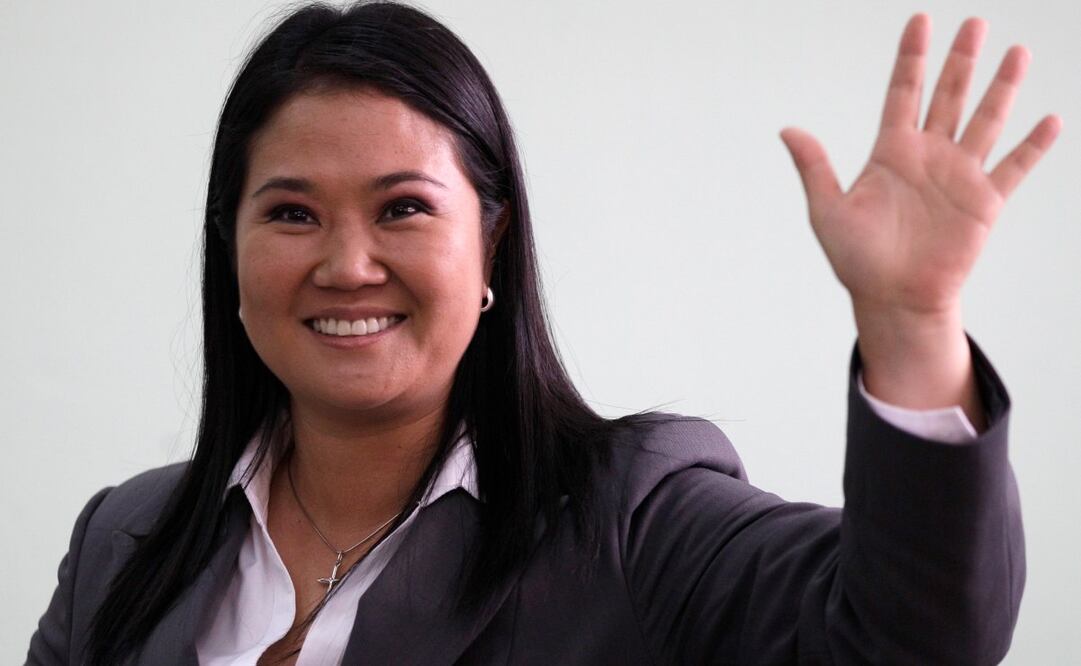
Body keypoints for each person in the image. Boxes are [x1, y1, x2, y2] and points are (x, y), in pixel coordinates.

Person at [26, 2, 1059, 665]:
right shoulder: (122, 540)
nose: (346, 264)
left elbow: (914, 636)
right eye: (292, 213)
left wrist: (912, 328)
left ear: (492, 246)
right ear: (231, 251)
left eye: (402, 208)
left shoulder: (632, 515)